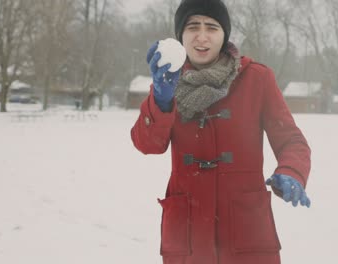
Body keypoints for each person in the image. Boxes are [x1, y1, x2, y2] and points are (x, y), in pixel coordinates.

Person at [131, 0, 311, 263]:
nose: (202, 36)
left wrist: (291, 172)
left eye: (212, 27)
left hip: (247, 235)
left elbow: (292, 141)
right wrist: (160, 100)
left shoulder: (257, 78)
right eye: (193, 26)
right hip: (188, 236)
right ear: (181, 34)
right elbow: (147, 144)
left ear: (224, 34)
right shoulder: (168, 81)